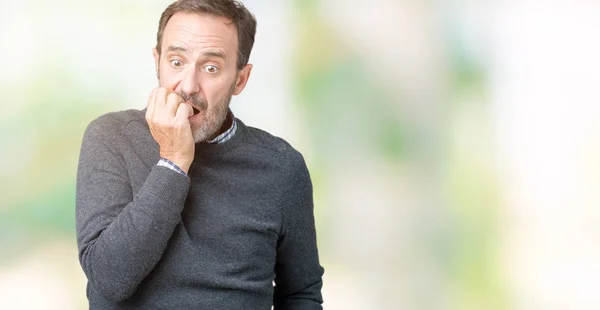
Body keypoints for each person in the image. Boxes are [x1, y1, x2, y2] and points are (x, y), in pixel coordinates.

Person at [75, 0, 324, 308]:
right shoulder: (111, 138)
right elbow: (109, 279)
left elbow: (301, 294)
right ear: (157, 62)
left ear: (240, 79)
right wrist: (173, 162)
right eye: (176, 62)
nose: (188, 86)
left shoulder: (282, 167)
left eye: (211, 67)